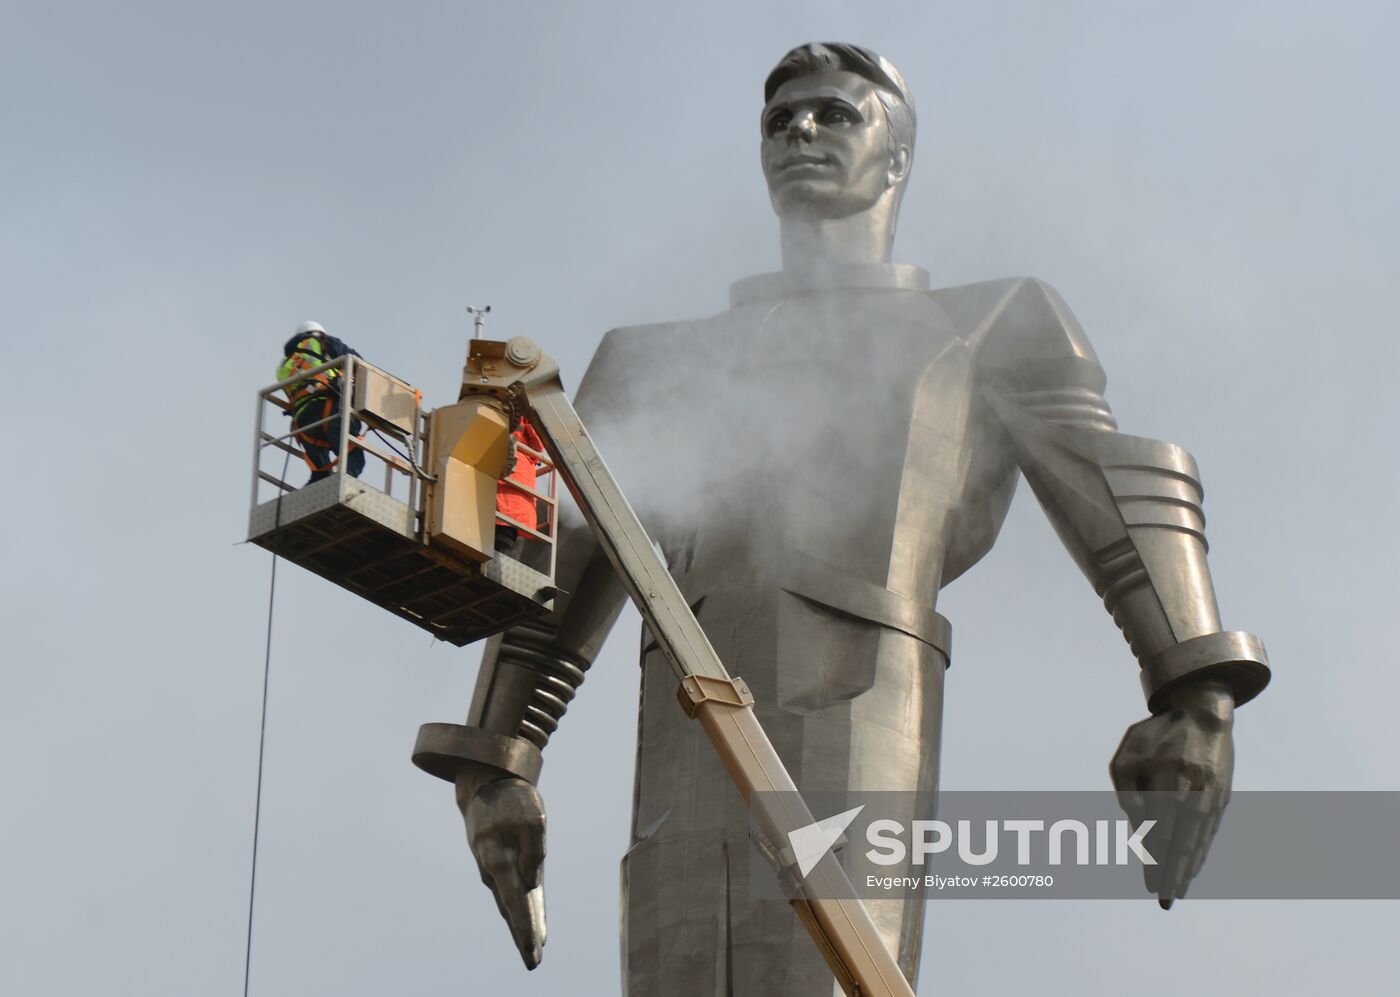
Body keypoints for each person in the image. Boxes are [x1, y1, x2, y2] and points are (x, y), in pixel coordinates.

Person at [417, 43, 1269, 994]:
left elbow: (1114, 481)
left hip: (864, 701)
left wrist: (1194, 690)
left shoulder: (985, 325)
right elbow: (573, 543)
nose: (801, 134)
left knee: (829, 972)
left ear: (896, 155)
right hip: (681, 732)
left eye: (834, 114)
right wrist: (498, 758)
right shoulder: (654, 365)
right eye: (779, 122)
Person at [277, 321, 366, 485]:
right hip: (329, 409)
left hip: (303, 423)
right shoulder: (323, 342)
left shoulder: (285, 365)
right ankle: (342, 485)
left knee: (320, 472)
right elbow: (359, 363)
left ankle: (310, 497)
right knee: (354, 457)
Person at [494, 418, 545, 553]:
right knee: (503, 539)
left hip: (495, 497)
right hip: (515, 495)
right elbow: (538, 442)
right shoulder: (524, 415)